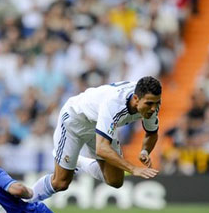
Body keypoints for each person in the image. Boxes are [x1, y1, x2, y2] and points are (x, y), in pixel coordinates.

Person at [29, 76, 162, 203]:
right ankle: (26, 202)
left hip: (100, 124)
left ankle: (79, 161)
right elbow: (102, 148)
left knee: (115, 181)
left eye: (156, 103)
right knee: (61, 182)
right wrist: (133, 168)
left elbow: (151, 133)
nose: (153, 108)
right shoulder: (115, 104)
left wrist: (145, 151)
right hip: (75, 121)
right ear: (136, 98)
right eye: (149, 104)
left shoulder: (151, 103)